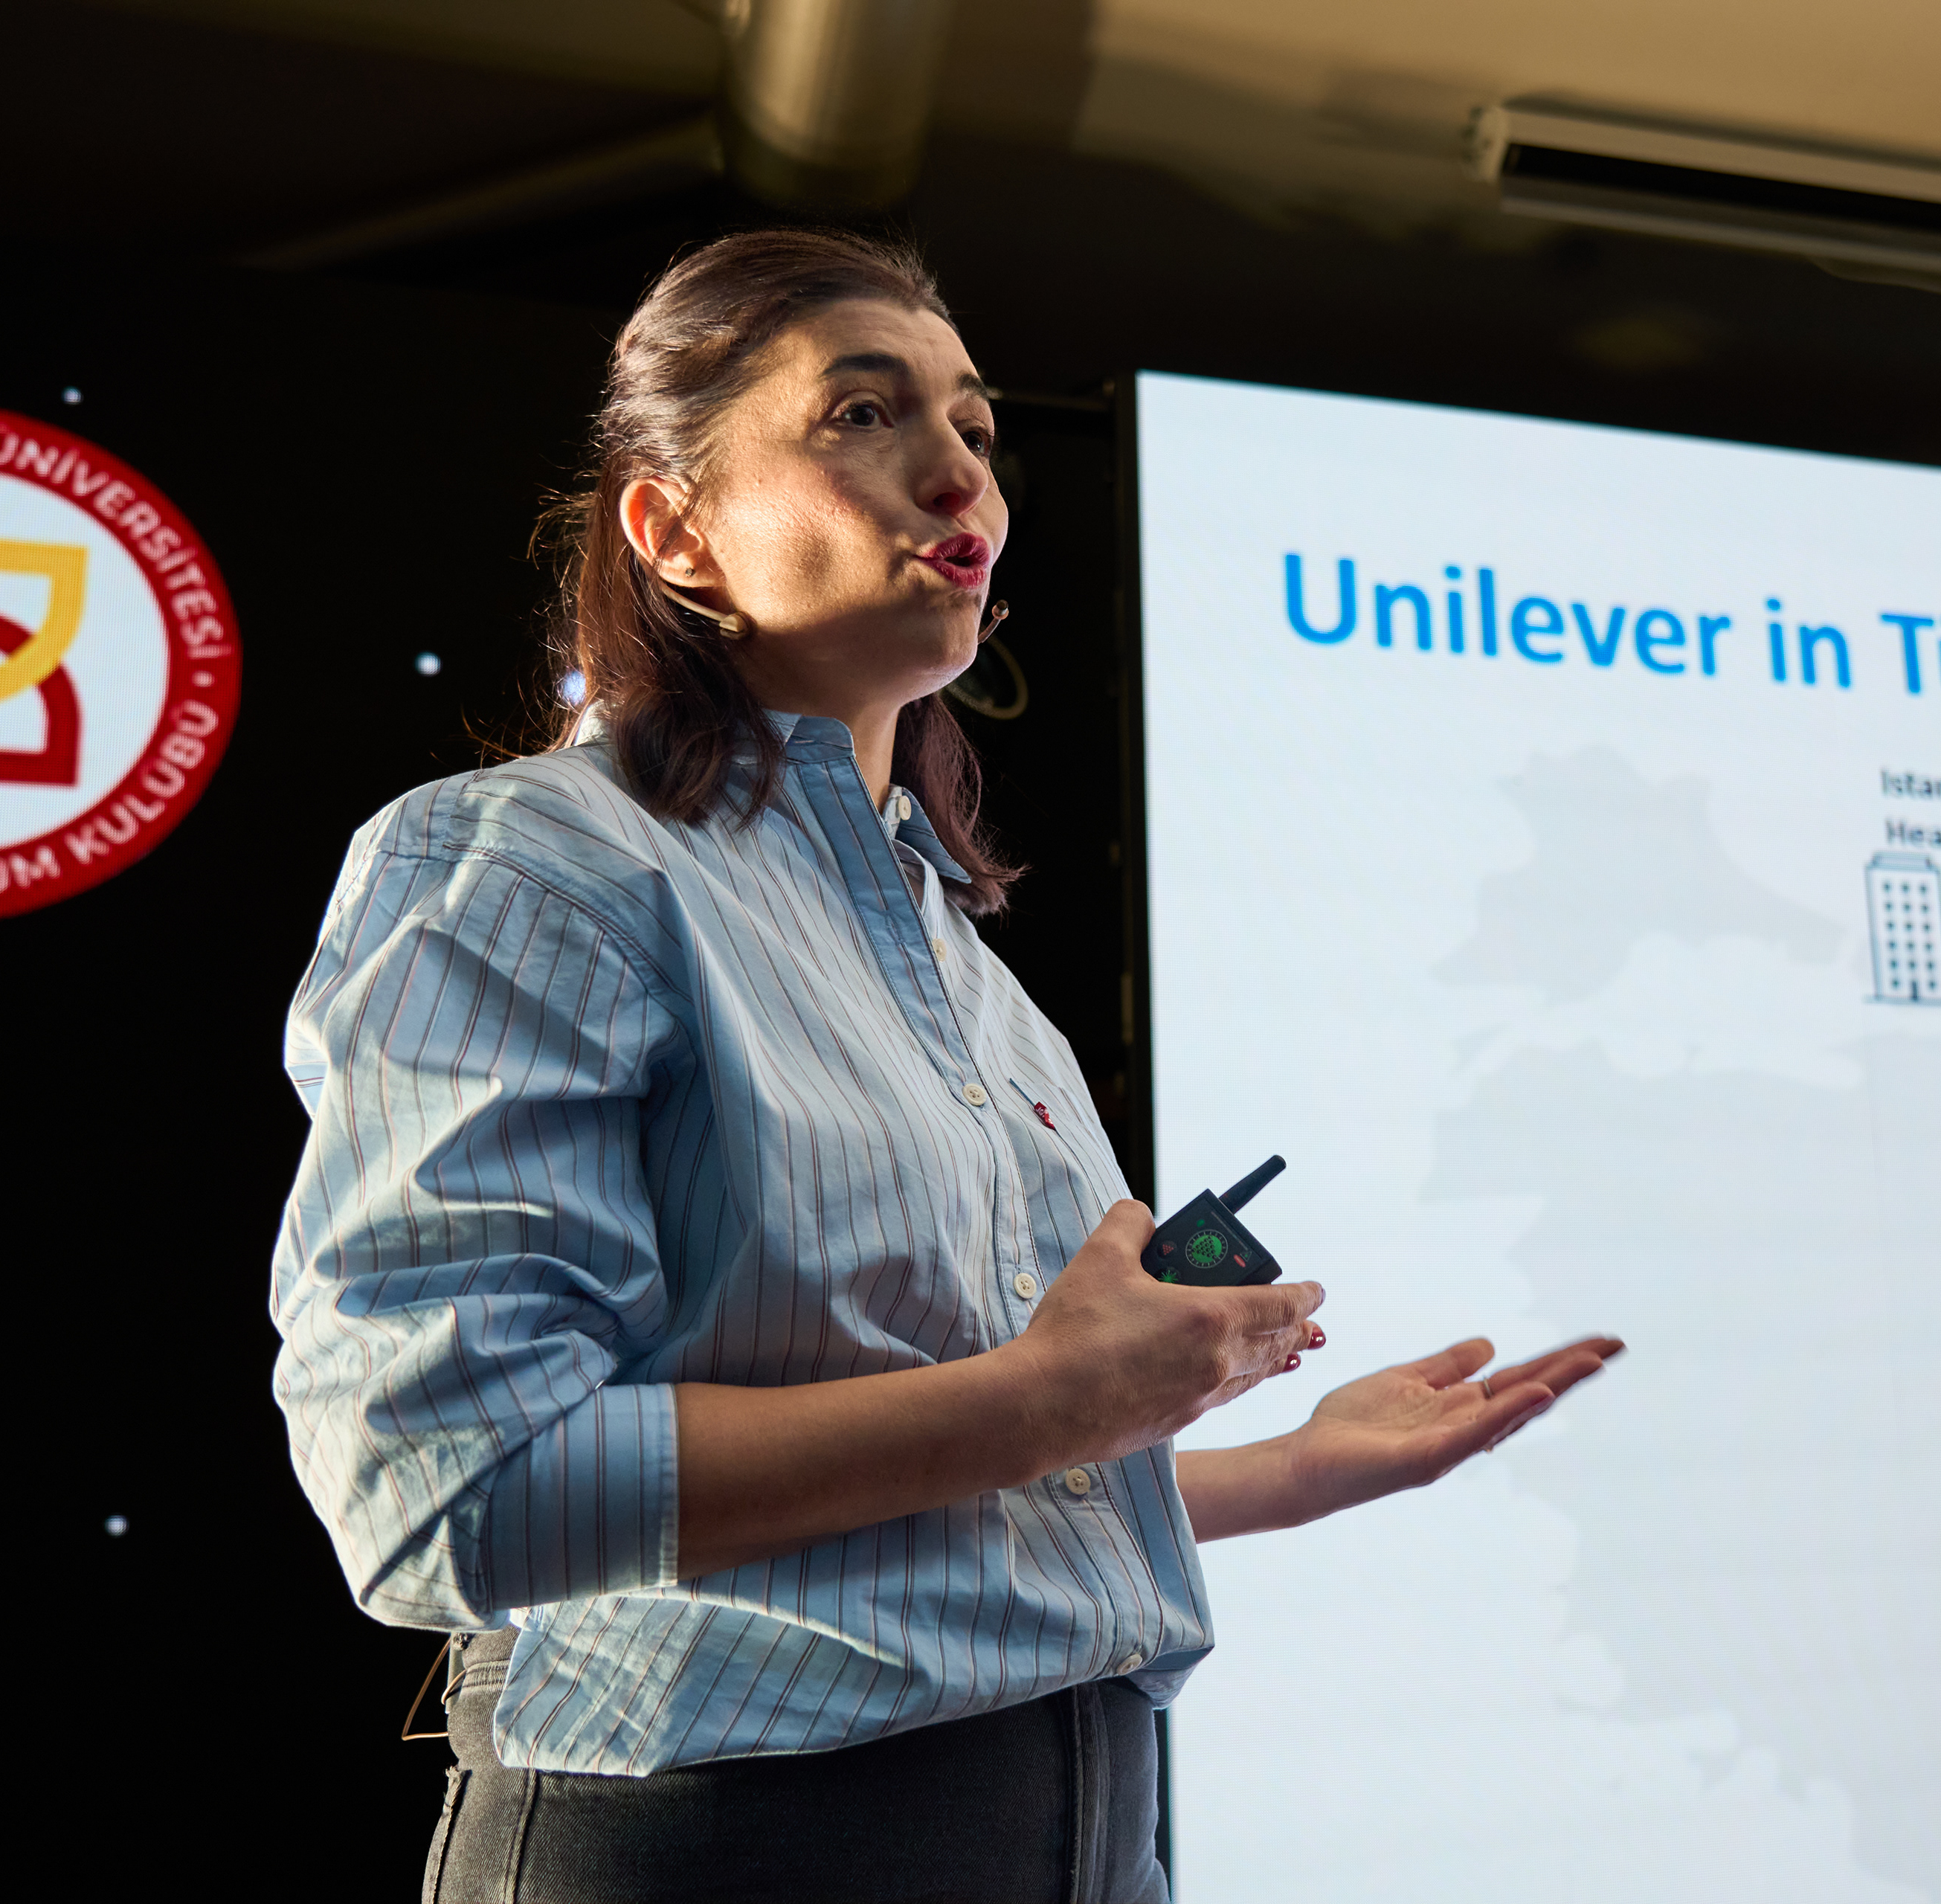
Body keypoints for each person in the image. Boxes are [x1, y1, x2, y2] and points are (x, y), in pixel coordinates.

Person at [269, 229, 1623, 1904]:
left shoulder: (961, 962)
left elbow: (937, 1501)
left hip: (1078, 1834)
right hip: (730, 1847)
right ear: (675, 529)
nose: (958, 467)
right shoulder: (533, 863)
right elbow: (444, 1487)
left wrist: (1282, 1472)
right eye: (863, 412)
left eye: (975, 424)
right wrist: (1058, 1396)